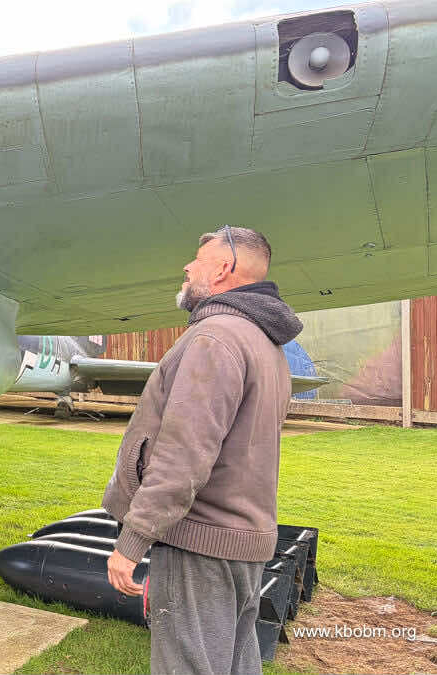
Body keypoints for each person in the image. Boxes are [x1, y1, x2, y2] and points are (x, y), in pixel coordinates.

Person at [101, 226, 303, 675]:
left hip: (201, 545)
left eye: (197, 258)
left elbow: (183, 457)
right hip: (244, 543)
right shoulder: (265, 345)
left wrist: (132, 542)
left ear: (223, 268)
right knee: (235, 663)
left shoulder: (214, 339)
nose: (187, 267)